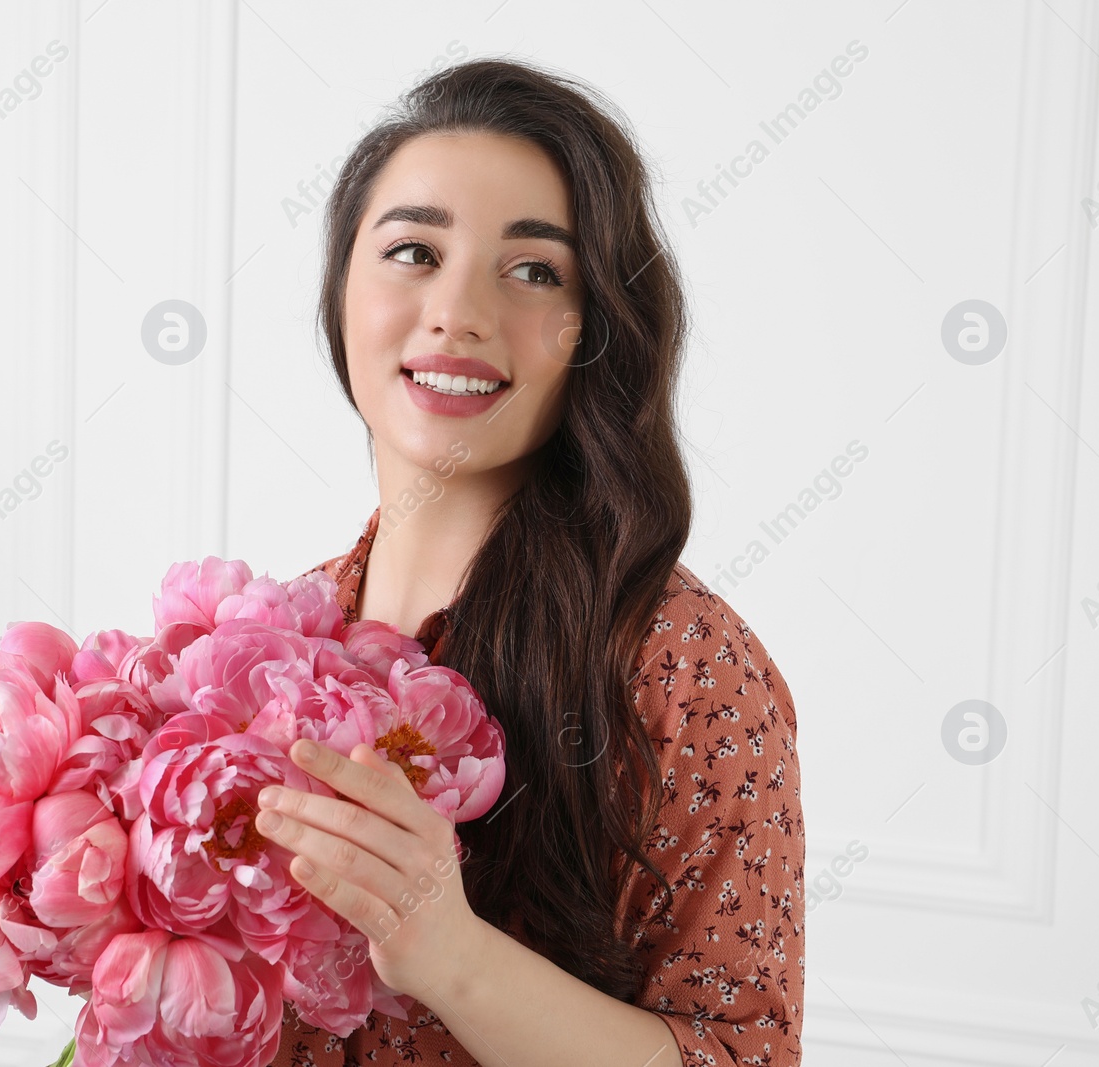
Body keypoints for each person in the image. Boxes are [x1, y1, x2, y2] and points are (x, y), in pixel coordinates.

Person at [255, 56, 804, 1067]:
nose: (458, 311)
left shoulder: (683, 664)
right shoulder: (262, 645)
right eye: (414, 251)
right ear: (341, 292)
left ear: (592, 330)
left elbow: (742, 1055)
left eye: (533, 270)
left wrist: (447, 950)